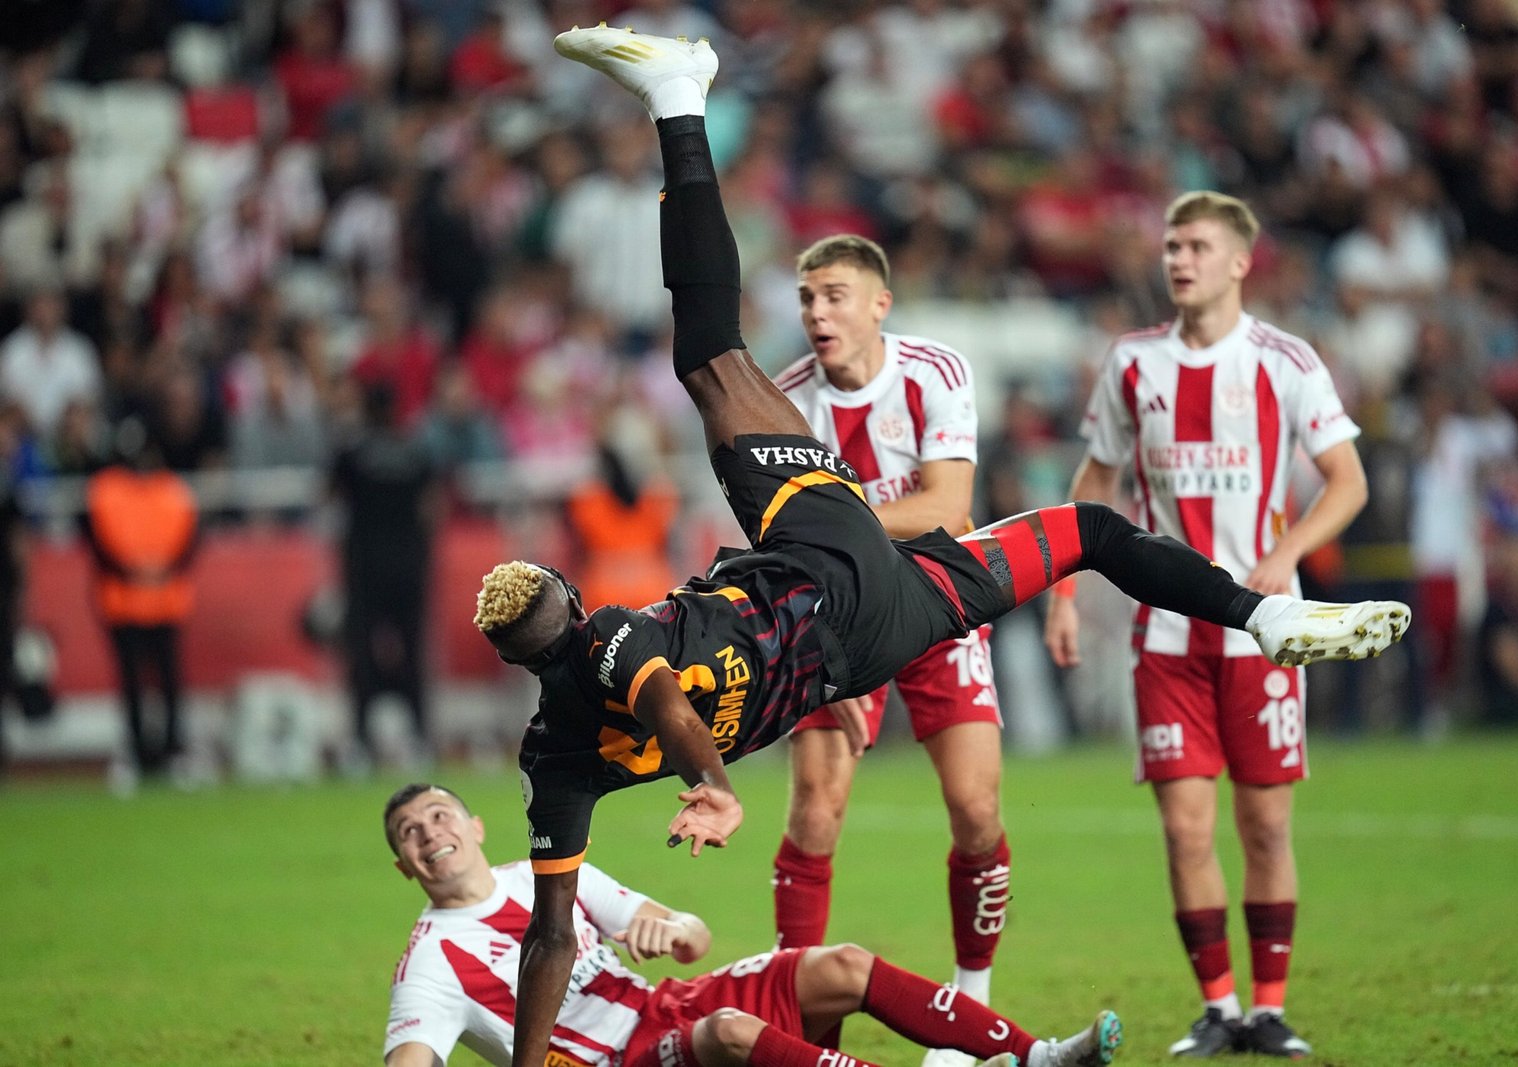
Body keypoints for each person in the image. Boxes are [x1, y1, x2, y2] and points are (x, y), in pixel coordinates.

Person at [479, 28, 1409, 1067]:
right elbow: (655, 697)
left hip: (863, 636)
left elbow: (556, 923)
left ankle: (1262, 620)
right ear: (565, 603)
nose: (820, 314)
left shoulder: (552, 760)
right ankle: (677, 98)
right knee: (713, 356)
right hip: (832, 571)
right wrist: (712, 782)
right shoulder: (605, 636)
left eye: (834, 296)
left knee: (1073, 566)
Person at [1042, 191, 1371, 1058]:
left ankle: (1269, 1008)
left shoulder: (1287, 361)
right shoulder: (1131, 363)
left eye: (1196, 246)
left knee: (1264, 825)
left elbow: (1347, 480)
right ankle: (1218, 1008)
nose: (1178, 259)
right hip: (1164, 638)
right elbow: (1091, 486)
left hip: (1265, 635)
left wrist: (1286, 550)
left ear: (1239, 261)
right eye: (1171, 245)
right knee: (1187, 828)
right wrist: (1065, 593)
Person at [381, 781, 1122, 1067]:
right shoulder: (432, 962)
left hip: (665, 1003)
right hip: (622, 1063)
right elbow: (410, 1058)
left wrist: (670, 931)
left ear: (474, 825)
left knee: (840, 963)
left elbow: (692, 934)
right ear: (404, 865)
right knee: (732, 1030)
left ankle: (1043, 1058)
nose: (429, 833)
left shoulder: (543, 874)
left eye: (439, 815)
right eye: (409, 833)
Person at [770, 233, 1010, 1067]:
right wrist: (819, 661)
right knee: (814, 810)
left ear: (880, 304)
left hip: (941, 601)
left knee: (977, 810)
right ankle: (793, 1010)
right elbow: (779, 547)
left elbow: (948, 507)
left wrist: (835, 525)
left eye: (834, 295)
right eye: (806, 298)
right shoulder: (784, 403)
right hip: (837, 622)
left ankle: (966, 1009)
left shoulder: (934, 372)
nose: (817, 313)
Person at [331, 382, 442, 769]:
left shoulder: (351, 454)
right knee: (412, 651)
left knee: (361, 653)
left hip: (363, 567)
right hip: (409, 566)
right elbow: (432, 506)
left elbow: (332, 496)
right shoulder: (417, 453)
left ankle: (361, 740)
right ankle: (419, 738)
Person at [83, 416, 200, 781]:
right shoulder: (107, 489)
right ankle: (138, 752)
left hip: (164, 600)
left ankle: (173, 750)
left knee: (168, 682)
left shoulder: (171, 489)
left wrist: (157, 569)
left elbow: (190, 540)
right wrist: (138, 570)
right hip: (124, 601)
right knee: (133, 683)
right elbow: (100, 544)